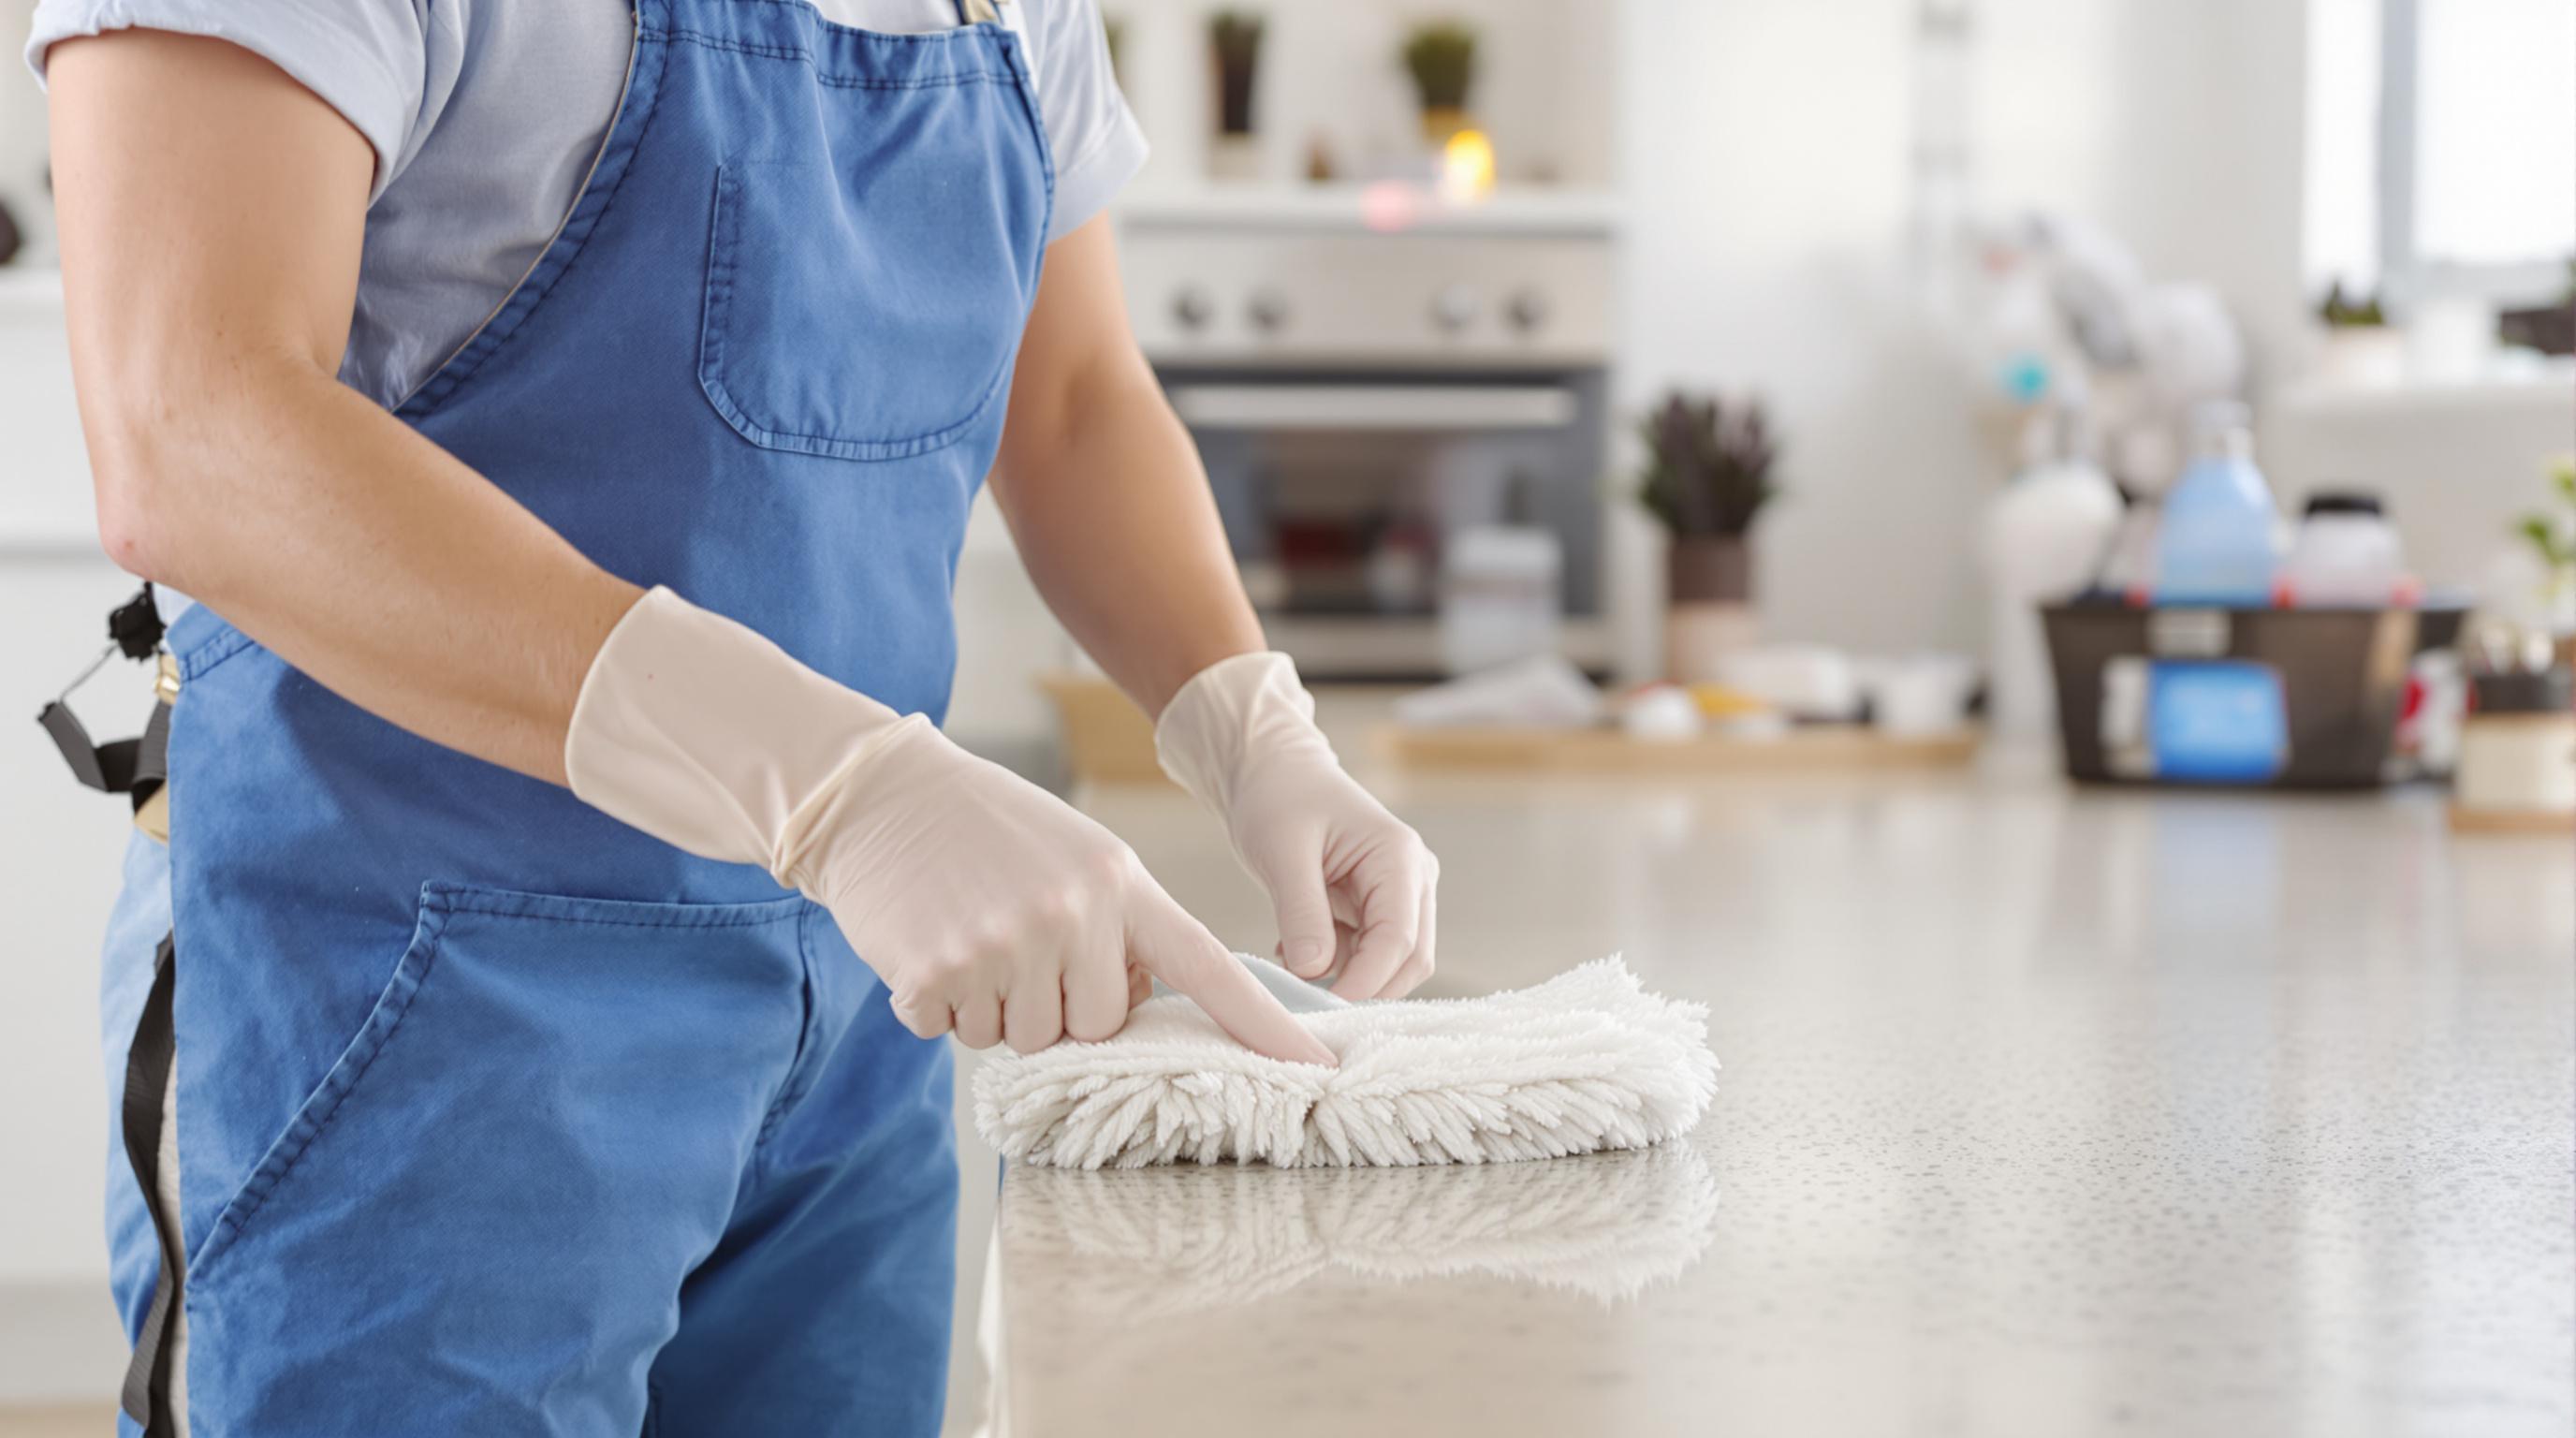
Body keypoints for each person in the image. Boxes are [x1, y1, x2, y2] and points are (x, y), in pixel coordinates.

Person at [32, 1, 1440, 1432]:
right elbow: (193, 426)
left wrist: (1248, 726)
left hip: (854, 1023)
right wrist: (841, 790)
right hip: (412, 1024)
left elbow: (1071, 399)